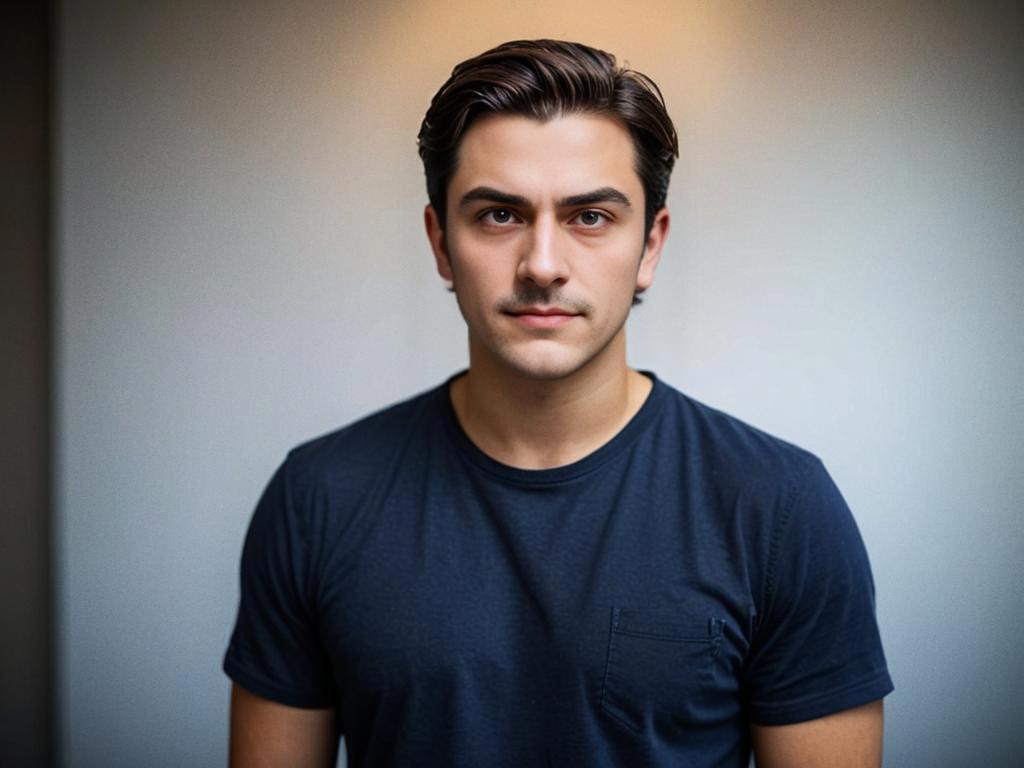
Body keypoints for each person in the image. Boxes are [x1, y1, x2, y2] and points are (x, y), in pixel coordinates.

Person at [224, 39, 893, 767]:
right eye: (499, 215)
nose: (542, 264)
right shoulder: (318, 497)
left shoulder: (780, 509)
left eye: (591, 217)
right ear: (441, 243)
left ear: (650, 246)